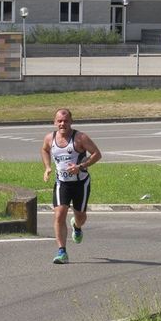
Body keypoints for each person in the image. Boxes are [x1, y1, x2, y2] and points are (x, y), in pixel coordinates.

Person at [41, 108, 102, 264]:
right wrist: (47, 167)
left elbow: (97, 154)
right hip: (62, 183)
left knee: (80, 216)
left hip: (81, 183)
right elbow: (45, 150)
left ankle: (76, 225)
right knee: (59, 215)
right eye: (59, 121)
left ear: (71, 122)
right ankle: (62, 252)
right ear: (55, 122)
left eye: (66, 121)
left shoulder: (80, 138)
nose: (62, 124)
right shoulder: (50, 138)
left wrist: (80, 166)